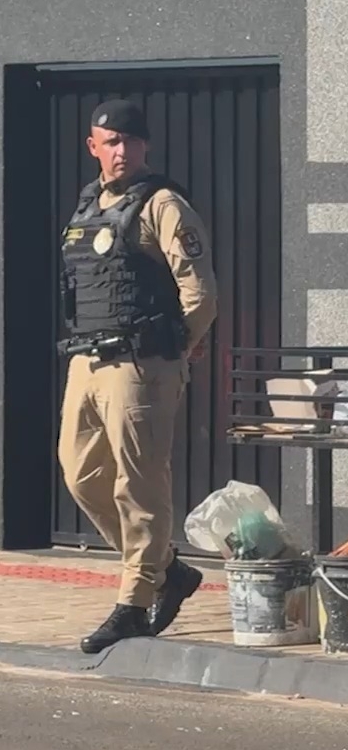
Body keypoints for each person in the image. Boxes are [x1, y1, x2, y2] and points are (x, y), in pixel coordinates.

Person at [57, 98, 218, 654]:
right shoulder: (88, 205)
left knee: (140, 484)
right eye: (111, 141)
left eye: (131, 140)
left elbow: (200, 292)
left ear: (145, 144)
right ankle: (168, 569)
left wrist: (178, 348)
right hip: (86, 360)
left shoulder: (163, 204)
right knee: (81, 475)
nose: (121, 150)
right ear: (93, 147)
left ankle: (133, 602)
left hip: (141, 363)